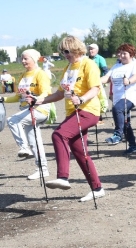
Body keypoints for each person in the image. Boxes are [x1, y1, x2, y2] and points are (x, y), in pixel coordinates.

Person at [32, 36, 106, 202]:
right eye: (62, 51)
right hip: (72, 113)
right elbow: (59, 94)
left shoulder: (89, 64)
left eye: (66, 51)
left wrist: (81, 99)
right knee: (80, 151)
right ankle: (97, 188)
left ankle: (63, 177)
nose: (64, 54)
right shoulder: (67, 68)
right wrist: (38, 100)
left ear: (75, 49)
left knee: (58, 135)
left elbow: (95, 88)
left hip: (88, 110)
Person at [2, 49, 52, 180]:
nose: (23, 61)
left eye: (26, 59)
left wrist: (36, 99)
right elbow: (19, 96)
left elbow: (46, 92)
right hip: (27, 110)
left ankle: (24, 148)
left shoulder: (41, 74)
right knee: (35, 141)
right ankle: (42, 169)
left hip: (40, 109)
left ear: (34, 59)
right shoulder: (23, 75)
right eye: (22, 59)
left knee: (13, 120)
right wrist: (3, 99)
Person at [99, 43, 136, 154]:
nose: (122, 56)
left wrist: (129, 81)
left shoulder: (135, 64)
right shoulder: (116, 66)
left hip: (131, 96)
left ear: (131, 54)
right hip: (118, 97)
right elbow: (107, 78)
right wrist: (95, 81)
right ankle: (133, 145)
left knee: (117, 109)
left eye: (125, 53)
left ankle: (118, 135)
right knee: (125, 123)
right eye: (120, 53)